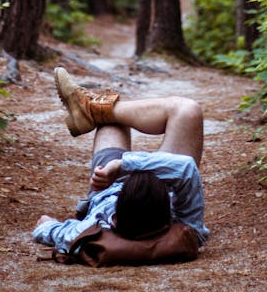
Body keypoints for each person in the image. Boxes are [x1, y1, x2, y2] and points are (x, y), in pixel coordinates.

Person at [32, 67, 210, 255]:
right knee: (187, 110)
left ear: (114, 217)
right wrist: (122, 165)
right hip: (124, 184)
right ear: (170, 211)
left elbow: (48, 229)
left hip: (105, 187)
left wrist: (48, 224)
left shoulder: (90, 233)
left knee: (111, 121)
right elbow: (185, 168)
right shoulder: (188, 232)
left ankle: (92, 109)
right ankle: (91, 108)